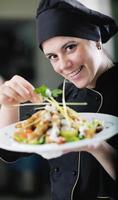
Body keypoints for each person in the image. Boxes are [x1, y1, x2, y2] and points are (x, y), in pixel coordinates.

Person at [0, 0, 118, 199]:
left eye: (70, 47)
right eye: (53, 56)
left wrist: (96, 146)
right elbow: (9, 152)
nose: (63, 65)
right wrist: (9, 105)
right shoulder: (60, 96)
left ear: (96, 39)